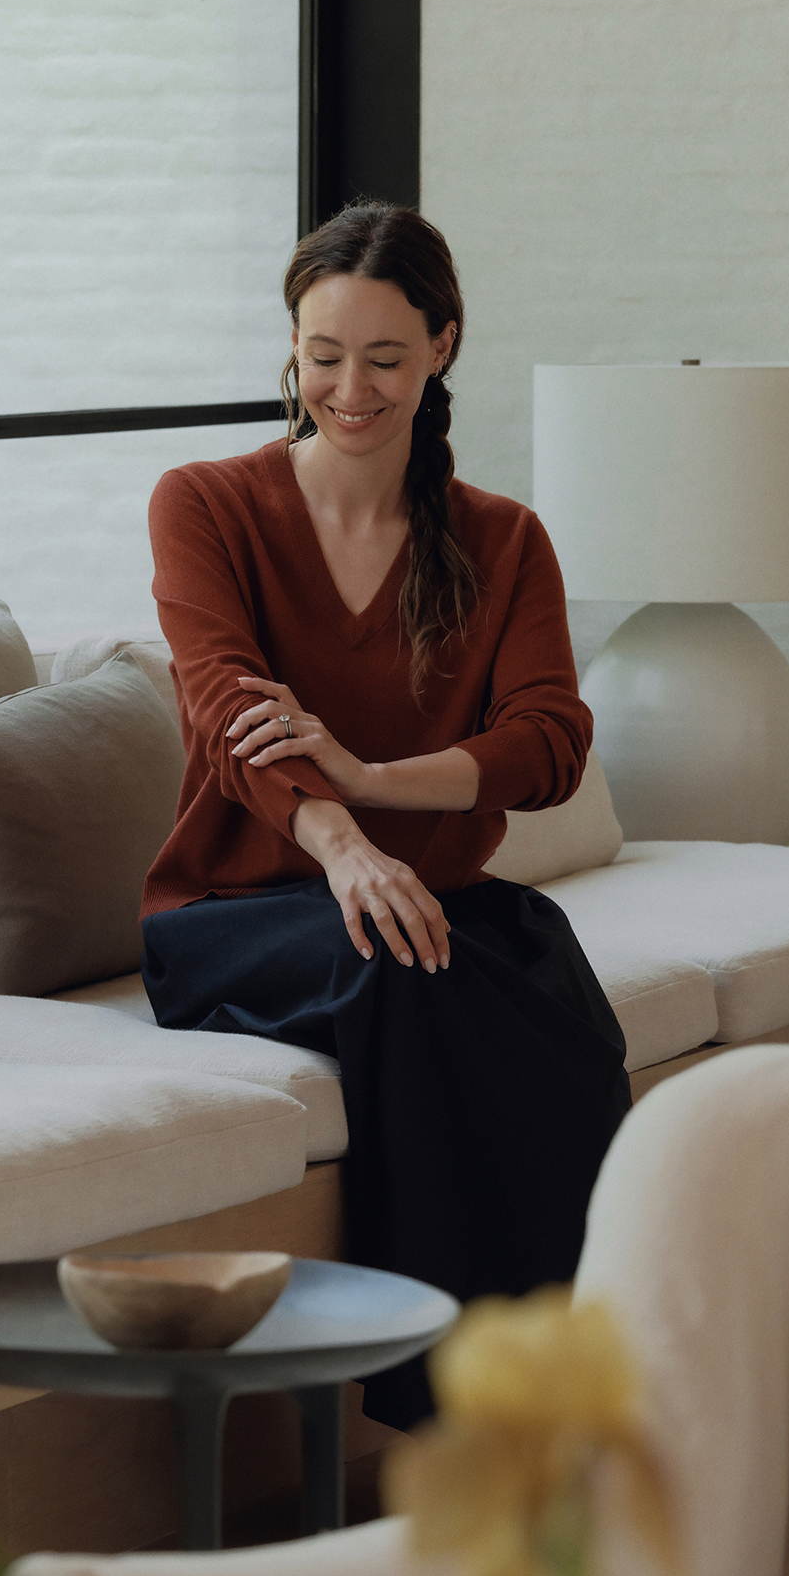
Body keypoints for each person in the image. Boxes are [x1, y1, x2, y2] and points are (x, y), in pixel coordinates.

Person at [140, 203, 630, 1429]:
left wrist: (368, 775)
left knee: (545, 990)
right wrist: (341, 842)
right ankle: (442, 1401)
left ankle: (568, 1371)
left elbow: (550, 744)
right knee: (407, 970)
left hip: (432, 899)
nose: (347, 388)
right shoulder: (204, 505)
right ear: (292, 351)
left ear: (443, 349)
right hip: (234, 912)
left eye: (384, 357)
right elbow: (222, 711)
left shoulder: (503, 540)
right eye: (321, 354)